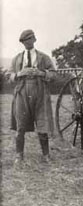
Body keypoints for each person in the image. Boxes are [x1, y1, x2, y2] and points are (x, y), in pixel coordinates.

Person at [6, 29, 56, 165]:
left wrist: (41, 73)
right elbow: (9, 76)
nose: (26, 43)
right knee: (20, 125)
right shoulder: (17, 58)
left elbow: (53, 74)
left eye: (29, 39)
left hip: (39, 92)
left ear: (34, 40)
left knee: (42, 124)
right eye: (24, 41)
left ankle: (46, 155)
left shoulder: (44, 57)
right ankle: (19, 155)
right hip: (22, 92)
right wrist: (19, 74)